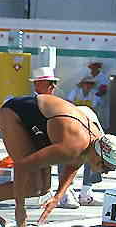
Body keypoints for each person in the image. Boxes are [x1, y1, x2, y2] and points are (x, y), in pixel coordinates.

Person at [0, 94, 116, 227]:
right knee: (32, 186)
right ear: (99, 155)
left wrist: (57, 197)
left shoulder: (94, 143)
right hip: (15, 114)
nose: (106, 172)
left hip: (39, 122)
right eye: (106, 167)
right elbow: (21, 166)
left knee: (43, 189)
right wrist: (20, 208)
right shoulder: (73, 146)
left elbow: (73, 165)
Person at [31, 70, 104, 208]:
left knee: (94, 146)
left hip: (58, 134)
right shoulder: (32, 101)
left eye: (54, 83)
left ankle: (86, 190)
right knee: (66, 147)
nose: (53, 86)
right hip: (41, 139)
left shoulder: (54, 100)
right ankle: (64, 193)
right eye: (50, 83)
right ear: (37, 84)